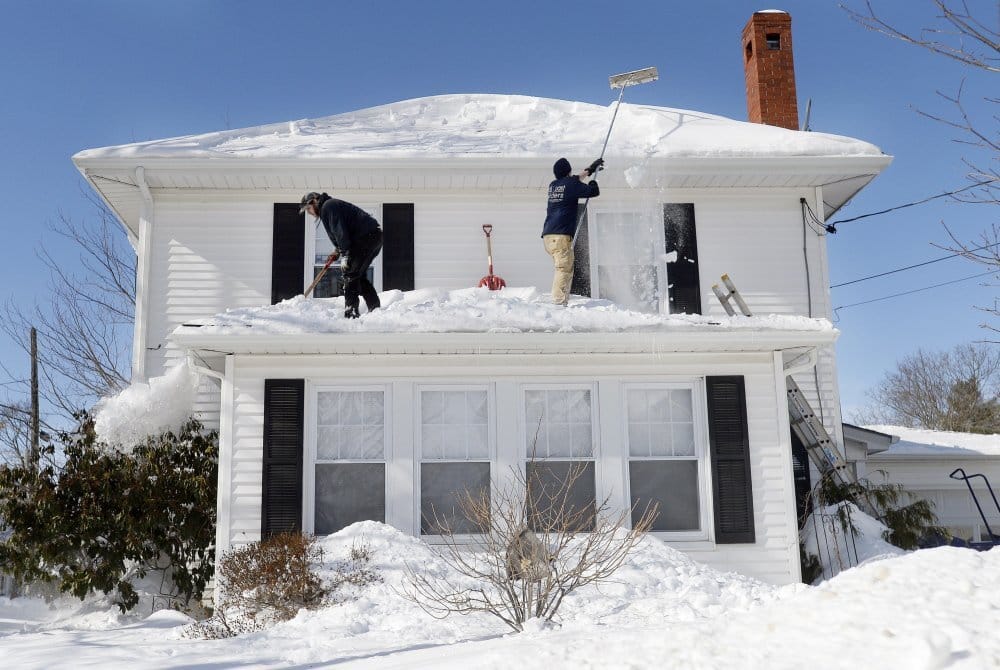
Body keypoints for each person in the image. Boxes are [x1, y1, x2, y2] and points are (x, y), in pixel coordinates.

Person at [300, 192, 383, 319]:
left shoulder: (328, 206)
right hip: (371, 237)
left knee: (350, 273)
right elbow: (343, 234)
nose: (309, 213)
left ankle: (351, 312)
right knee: (357, 275)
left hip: (367, 238)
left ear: (314, 201)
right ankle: (375, 308)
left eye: (308, 209)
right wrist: (337, 251)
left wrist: (345, 255)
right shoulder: (329, 207)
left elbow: (341, 232)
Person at [540, 157, 602, 306]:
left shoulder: (554, 185)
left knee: (566, 267)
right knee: (563, 268)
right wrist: (593, 182)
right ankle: (558, 304)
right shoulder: (571, 184)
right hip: (560, 237)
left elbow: (574, 180)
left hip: (549, 236)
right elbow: (594, 192)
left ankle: (562, 300)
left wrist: (590, 169)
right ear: (568, 171)